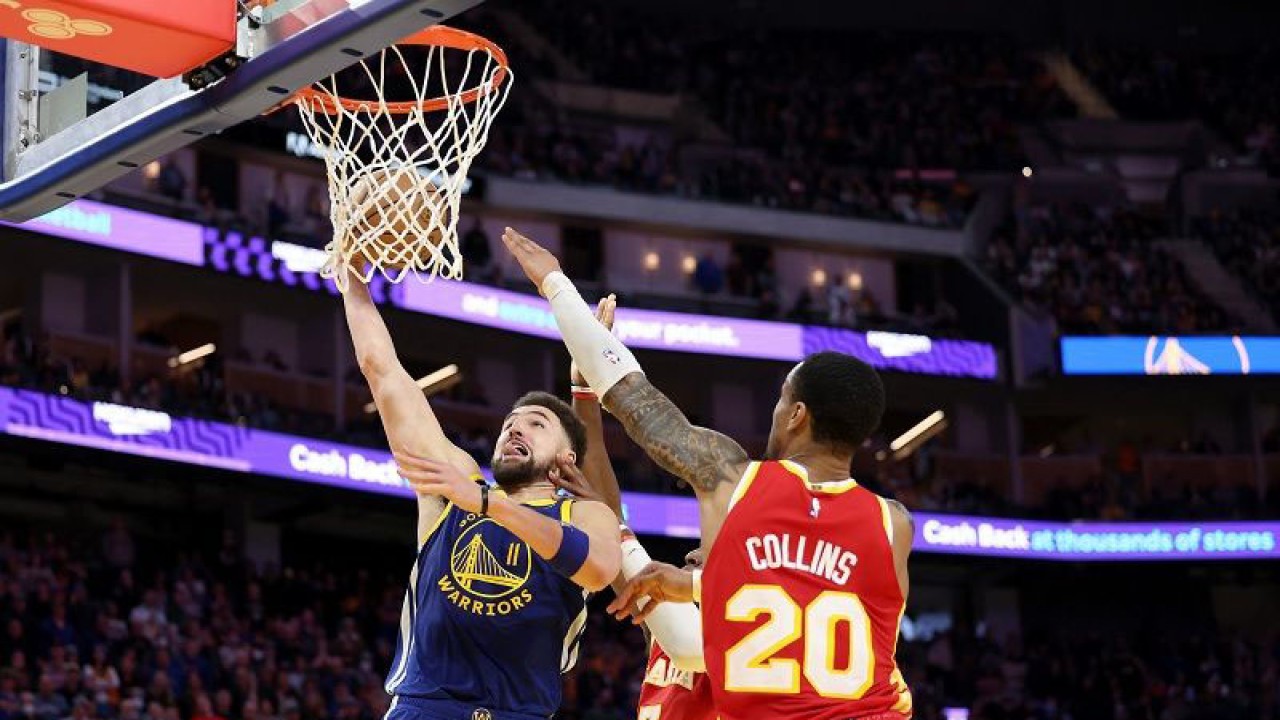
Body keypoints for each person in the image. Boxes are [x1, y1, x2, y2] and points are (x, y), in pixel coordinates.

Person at [501, 227, 914, 720]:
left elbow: (633, 396)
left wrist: (555, 284)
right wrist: (700, 585)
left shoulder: (735, 480)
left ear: (797, 414)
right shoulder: (895, 525)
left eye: (781, 399)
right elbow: (816, 593)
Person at [340, 265, 622, 720]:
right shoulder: (457, 486)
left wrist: (489, 505)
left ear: (567, 459)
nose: (515, 428)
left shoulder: (583, 515)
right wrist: (351, 278)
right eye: (511, 422)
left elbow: (600, 569)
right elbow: (384, 372)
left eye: (536, 424)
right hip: (424, 709)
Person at [551, 298, 717, 720]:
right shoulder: (667, 616)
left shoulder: (741, 626)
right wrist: (584, 391)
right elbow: (611, 522)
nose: (692, 554)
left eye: (706, 552)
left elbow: (611, 523)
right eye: (694, 551)